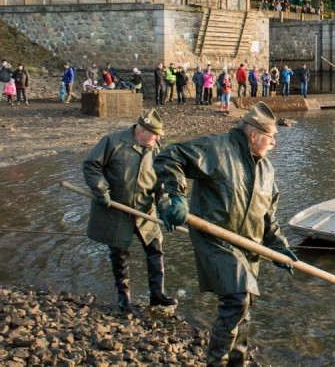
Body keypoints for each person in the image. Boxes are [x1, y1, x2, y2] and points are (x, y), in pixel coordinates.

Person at [153, 102, 297, 367]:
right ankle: (216, 361)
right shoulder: (217, 148)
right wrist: (175, 194)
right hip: (215, 239)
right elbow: (170, 157)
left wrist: (278, 246)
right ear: (253, 134)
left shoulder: (267, 169)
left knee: (244, 308)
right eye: (271, 137)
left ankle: (236, 360)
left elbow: (267, 215)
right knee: (238, 296)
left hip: (249, 246)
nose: (274, 144)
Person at [82, 109, 177, 313]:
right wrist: (101, 189)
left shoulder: (156, 149)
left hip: (145, 211)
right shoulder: (112, 142)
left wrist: (164, 206)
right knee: (120, 254)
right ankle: (124, 299)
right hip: (117, 210)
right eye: (155, 133)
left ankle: (157, 295)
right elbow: (91, 166)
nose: (158, 138)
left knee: (155, 249)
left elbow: (161, 183)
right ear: (141, 130)